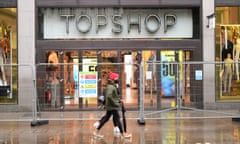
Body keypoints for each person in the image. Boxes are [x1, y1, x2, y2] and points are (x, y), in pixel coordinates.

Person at [93, 71, 131, 139]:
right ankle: (123, 134)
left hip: (110, 106)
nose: (117, 79)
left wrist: (118, 100)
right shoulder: (111, 87)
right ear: (113, 78)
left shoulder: (111, 86)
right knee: (118, 119)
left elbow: (113, 96)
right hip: (112, 107)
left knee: (105, 119)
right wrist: (116, 103)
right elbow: (109, 96)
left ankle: (96, 132)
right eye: (116, 77)